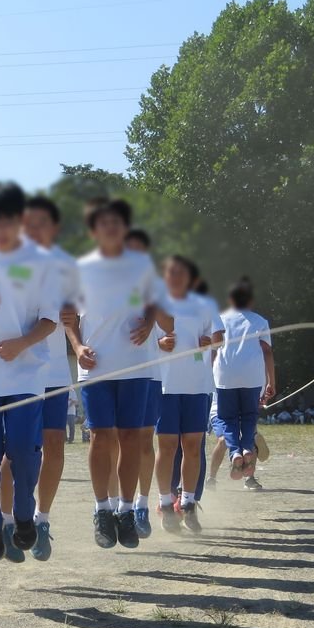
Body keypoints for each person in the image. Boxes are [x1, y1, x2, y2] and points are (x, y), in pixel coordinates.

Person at [66, 198, 170, 549]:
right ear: (94, 231)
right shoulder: (81, 268)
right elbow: (68, 318)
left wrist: (150, 323)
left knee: (129, 439)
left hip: (135, 366)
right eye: (103, 223)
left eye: (116, 223)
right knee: (100, 438)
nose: (111, 228)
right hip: (96, 367)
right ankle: (102, 510)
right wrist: (78, 348)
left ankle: (126, 510)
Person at [0, 182, 59, 564]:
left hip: (25, 375)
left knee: (23, 451)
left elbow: (50, 320)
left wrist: (21, 344)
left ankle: (25, 516)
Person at [13, 194, 80, 554]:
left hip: (53, 371)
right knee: (15, 450)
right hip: (14, 372)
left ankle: (42, 518)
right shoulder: (7, 263)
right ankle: (10, 519)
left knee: (53, 444)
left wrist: (73, 322)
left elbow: (74, 314)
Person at [154, 255, 220, 533]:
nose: (177, 277)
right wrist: (159, 341)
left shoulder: (204, 304)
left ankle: (189, 504)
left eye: (182, 272)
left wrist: (210, 342)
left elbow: (219, 336)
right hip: (165, 387)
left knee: (193, 447)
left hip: (197, 387)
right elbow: (141, 338)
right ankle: (166, 504)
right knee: (167, 448)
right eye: (172, 272)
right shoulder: (155, 305)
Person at [213, 277, 275, 490]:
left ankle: (236, 452)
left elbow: (214, 350)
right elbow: (267, 352)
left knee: (228, 419)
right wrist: (271, 382)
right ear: (250, 300)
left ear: (231, 299)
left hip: (225, 376)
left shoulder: (219, 319)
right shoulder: (260, 321)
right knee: (249, 417)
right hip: (251, 377)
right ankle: (247, 447)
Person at [124, 227, 160, 538]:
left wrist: (151, 321)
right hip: (112, 374)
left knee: (143, 442)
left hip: (147, 374)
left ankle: (142, 503)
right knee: (109, 443)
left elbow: (170, 321)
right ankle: (110, 508)